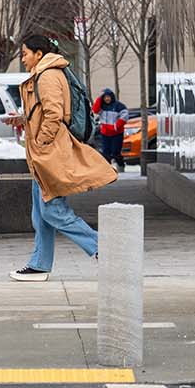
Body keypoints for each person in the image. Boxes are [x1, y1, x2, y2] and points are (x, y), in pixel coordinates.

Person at [9, 32, 117, 282]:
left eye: (25, 53)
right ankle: (39, 265)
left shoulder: (47, 75)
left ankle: (104, 248)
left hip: (49, 154)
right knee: (41, 214)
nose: (23, 59)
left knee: (53, 211)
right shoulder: (45, 73)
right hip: (43, 155)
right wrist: (24, 120)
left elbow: (54, 114)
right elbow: (42, 112)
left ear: (38, 54)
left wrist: (41, 142)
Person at [94, 89, 128, 171]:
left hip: (117, 133)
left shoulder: (119, 106)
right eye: (105, 97)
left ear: (112, 97)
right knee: (106, 153)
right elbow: (95, 110)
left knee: (116, 152)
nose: (107, 99)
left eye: (108, 97)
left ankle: (121, 167)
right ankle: (107, 170)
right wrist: (99, 98)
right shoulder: (101, 106)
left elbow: (124, 116)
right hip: (105, 133)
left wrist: (116, 126)